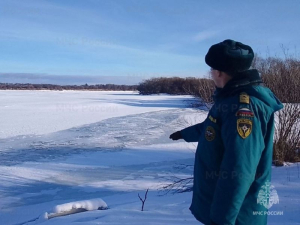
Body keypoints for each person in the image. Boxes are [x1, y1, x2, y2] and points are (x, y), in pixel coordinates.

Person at [169, 39, 283, 225]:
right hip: (225, 211)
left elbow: (239, 169)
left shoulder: (242, 108)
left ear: (219, 72)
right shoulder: (230, 100)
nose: (211, 74)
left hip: (237, 215)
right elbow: (212, 129)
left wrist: (222, 220)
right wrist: (185, 133)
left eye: (211, 69)